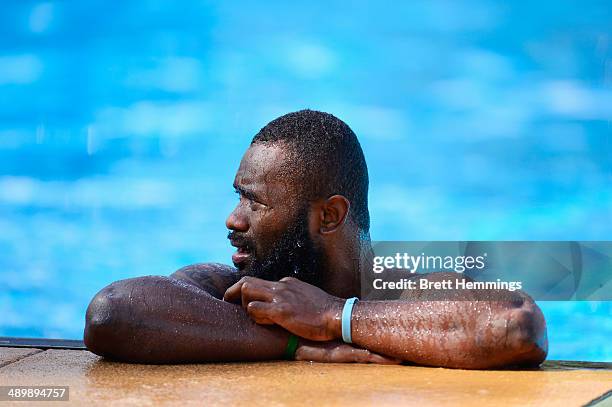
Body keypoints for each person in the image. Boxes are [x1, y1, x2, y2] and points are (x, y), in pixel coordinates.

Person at [84, 109, 547, 368]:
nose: (233, 219)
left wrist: (332, 316)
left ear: (329, 216)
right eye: (238, 198)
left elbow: (516, 325)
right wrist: (297, 344)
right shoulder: (233, 288)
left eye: (255, 203)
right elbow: (111, 313)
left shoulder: (405, 289)